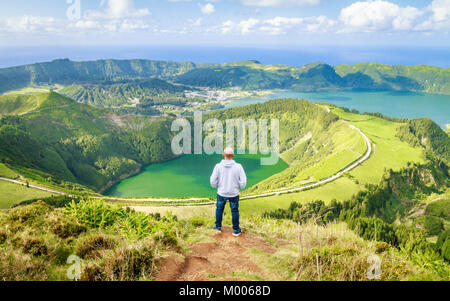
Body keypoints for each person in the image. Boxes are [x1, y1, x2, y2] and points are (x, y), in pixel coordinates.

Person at [210, 147, 247, 237]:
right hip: (234, 193)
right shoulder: (238, 166)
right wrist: (238, 187)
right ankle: (236, 230)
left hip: (221, 192)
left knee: (219, 209)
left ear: (223, 155)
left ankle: (218, 227)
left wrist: (217, 186)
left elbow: (212, 181)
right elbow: (243, 182)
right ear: (233, 155)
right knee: (234, 211)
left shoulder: (218, 166)